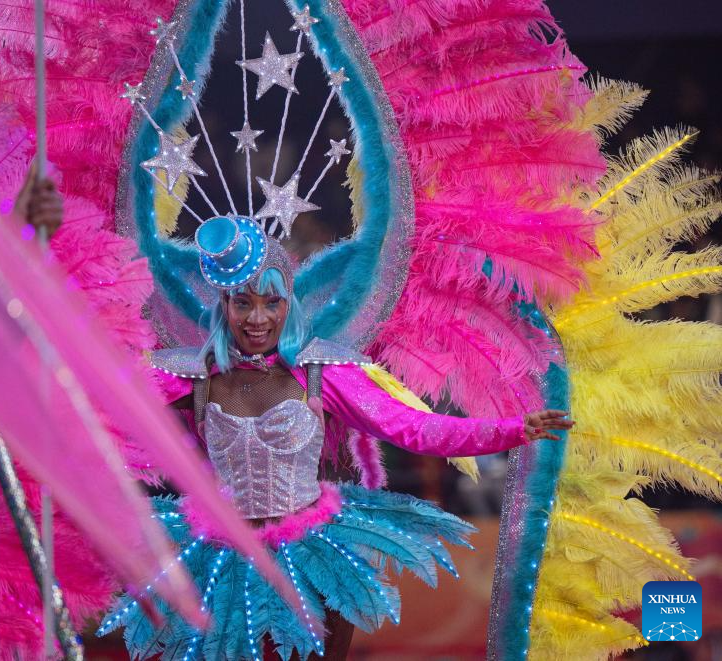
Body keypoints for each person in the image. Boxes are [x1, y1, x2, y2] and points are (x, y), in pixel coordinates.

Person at [98, 216, 573, 661]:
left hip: (307, 561)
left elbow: (416, 428)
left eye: (272, 302)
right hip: (217, 558)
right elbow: (99, 404)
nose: (256, 318)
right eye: (243, 302)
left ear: (291, 304)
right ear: (224, 305)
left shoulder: (322, 372)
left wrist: (514, 429)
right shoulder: (190, 375)